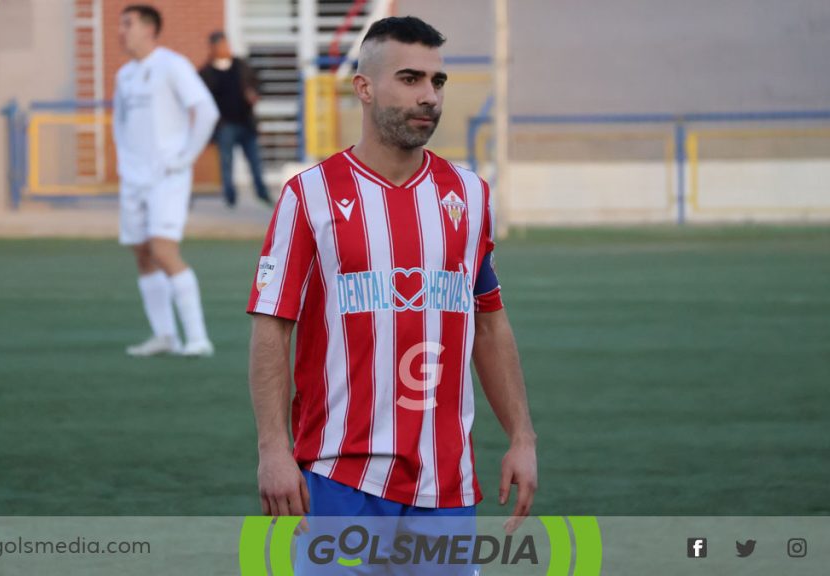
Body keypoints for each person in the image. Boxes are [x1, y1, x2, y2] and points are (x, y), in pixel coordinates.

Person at [246, 15, 538, 570]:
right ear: (364, 87)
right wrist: (272, 450)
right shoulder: (309, 197)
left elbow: (490, 324)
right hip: (338, 475)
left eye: (437, 81)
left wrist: (521, 437)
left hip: (444, 479)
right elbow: (270, 326)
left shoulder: (469, 196)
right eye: (409, 79)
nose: (429, 96)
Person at [113, 4, 219, 357]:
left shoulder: (172, 65)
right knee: (142, 254)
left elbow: (206, 111)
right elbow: (121, 126)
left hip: (167, 177)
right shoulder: (124, 75)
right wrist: (125, 166)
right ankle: (165, 336)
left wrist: (185, 158)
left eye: (127, 24)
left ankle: (198, 338)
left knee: (163, 250)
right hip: (134, 179)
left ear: (148, 29)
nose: (121, 31)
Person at [199, 31, 271, 207]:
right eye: (220, 45)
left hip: (246, 123)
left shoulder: (241, 65)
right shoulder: (206, 73)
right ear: (213, 48)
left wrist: (253, 94)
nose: (225, 48)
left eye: (226, 44)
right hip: (225, 125)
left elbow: (257, 84)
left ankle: (262, 193)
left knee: (255, 162)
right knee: (226, 162)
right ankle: (230, 197)